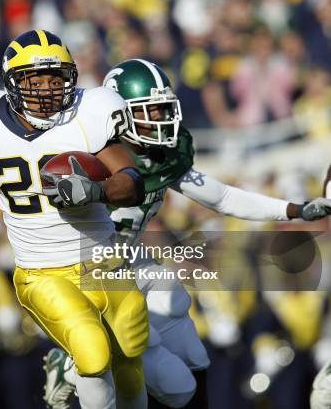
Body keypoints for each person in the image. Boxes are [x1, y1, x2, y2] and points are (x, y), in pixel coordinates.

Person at [43, 59, 331, 409]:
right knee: (154, 376)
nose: (162, 120)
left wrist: (294, 209)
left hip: (128, 261)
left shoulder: (163, 157)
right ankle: (73, 367)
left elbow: (223, 197)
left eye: (164, 109)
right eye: (150, 111)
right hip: (90, 275)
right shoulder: (90, 158)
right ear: (118, 115)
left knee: (190, 346)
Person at [0, 29, 149, 409]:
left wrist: (97, 191)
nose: (47, 90)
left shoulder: (87, 115)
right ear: (13, 83)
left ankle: (66, 366)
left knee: (130, 360)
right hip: (42, 270)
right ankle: (75, 364)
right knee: (94, 355)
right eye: (36, 80)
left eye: (55, 78)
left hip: (105, 263)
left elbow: (133, 180)